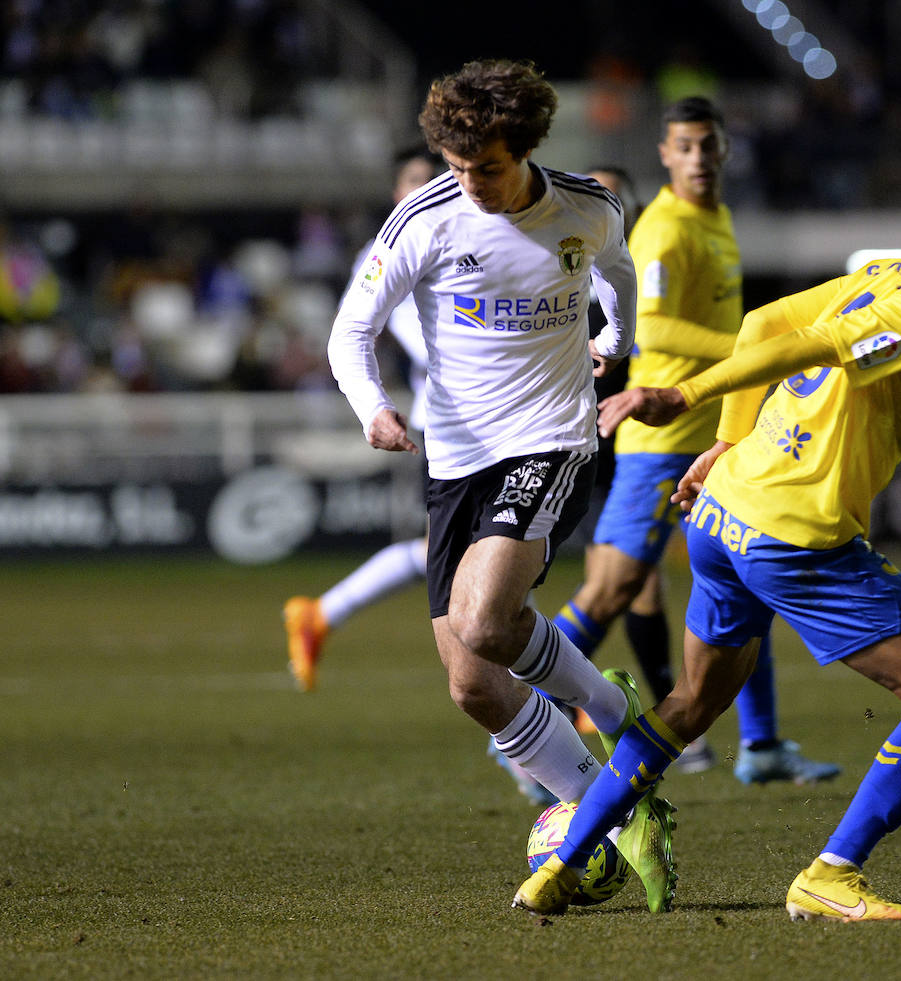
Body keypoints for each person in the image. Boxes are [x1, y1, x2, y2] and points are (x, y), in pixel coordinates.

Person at [513, 201, 901, 919]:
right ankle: (831, 873)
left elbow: (765, 322)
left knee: (690, 704)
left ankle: (560, 865)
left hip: (724, 511)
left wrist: (727, 445)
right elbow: (819, 344)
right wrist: (685, 393)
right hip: (792, 533)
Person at [326, 59, 677, 914]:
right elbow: (352, 329)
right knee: (473, 683)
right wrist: (372, 406)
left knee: (485, 622)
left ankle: (606, 752)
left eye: (484, 165)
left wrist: (617, 337)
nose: (469, 183)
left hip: (551, 436)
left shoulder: (586, 207)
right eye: (454, 165)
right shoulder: (425, 219)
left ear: (523, 149)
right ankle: (618, 783)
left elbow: (618, 271)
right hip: (454, 457)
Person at [551, 97, 840, 785]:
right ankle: (519, 713)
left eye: (709, 145)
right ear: (665, 154)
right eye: (685, 146)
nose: (699, 158)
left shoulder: (718, 220)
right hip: (663, 436)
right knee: (613, 589)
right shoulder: (666, 229)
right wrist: (753, 348)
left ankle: (763, 744)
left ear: (724, 151)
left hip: (716, 434)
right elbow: (653, 327)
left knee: (748, 582)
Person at [284, 146, 442, 694]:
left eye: (436, 180)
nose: (427, 191)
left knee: (476, 558)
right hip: (449, 421)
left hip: (492, 419)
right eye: (416, 182)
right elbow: (418, 342)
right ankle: (558, 698)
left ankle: (322, 614)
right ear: (397, 193)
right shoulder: (386, 254)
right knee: (482, 560)